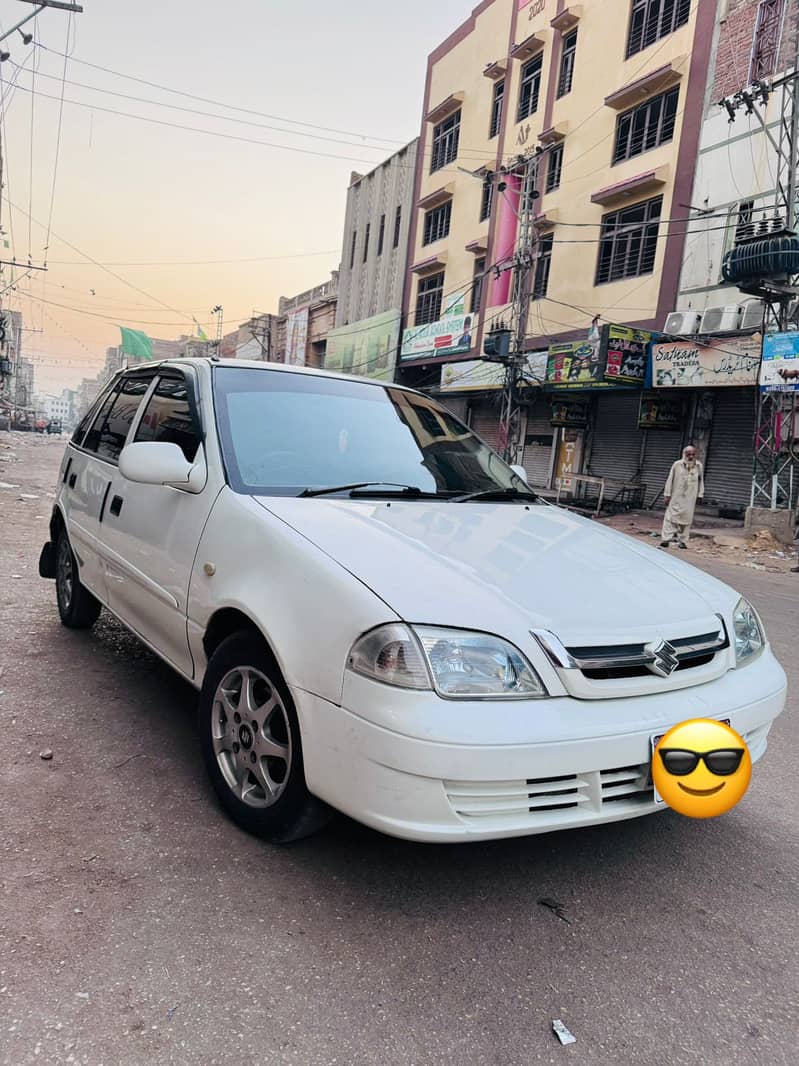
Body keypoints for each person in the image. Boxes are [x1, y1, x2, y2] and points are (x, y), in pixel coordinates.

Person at [661, 445, 704, 549]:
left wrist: (700, 494)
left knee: (686, 520)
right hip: (676, 496)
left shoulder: (698, 465)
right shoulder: (677, 464)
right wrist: (667, 495)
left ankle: (683, 541)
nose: (691, 457)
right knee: (670, 518)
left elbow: (701, 481)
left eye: (693, 454)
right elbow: (670, 480)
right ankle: (666, 539)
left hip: (690, 498)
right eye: (688, 454)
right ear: (684, 454)